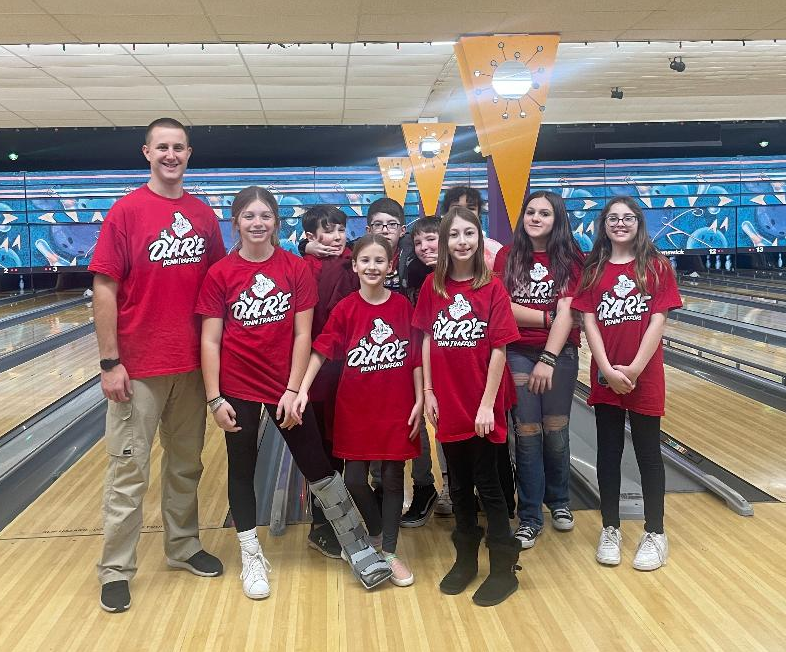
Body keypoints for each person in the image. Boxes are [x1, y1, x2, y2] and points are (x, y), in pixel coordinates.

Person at [196, 186, 391, 600]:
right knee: (241, 468)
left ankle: (356, 545)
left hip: (283, 387)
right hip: (236, 388)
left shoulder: (293, 268)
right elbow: (210, 340)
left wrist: (292, 389)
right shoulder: (220, 274)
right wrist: (215, 398)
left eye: (265, 215)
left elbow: (305, 332)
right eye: (249, 216)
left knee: (318, 466)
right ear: (236, 223)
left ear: (276, 222)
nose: (257, 223)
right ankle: (250, 554)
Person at [90, 117, 225, 614]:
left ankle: (184, 546)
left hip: (191, 366)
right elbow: (104, 287)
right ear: (146, 152)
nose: (171, 155)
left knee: (186, 464)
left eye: (179, 148)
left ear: (189, 153)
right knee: (129, 471)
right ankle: (116, 569)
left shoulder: (204, 215)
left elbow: (218, 285)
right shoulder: (126, 212)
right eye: (161, 147)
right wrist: (110, 362)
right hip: (139, 368)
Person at [295, 234, 423, 587]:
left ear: (390, 265)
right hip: (356, 410)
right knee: (353, 480)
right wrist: (302, 389)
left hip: (395, 408)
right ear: (355, 265)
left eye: (379, 261)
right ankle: (379, 532)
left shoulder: (401, 306)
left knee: (395, 479)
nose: (372, 267)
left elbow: (414, 358)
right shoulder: (347, 308)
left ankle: (391, 552)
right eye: (365, 260)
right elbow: (320, 351)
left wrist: (419, 399)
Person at [413, 206, 521, 607]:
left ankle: (502, 567)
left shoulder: (492, 288)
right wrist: (428, 390)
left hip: (482, 402)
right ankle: (466, 558)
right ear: (444, 242)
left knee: (489, 486)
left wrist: (488, 405)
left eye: (469, 234)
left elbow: (499, 348)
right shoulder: (433, 288)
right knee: (457, 485)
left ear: (479, 239)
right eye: (454, 235)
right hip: (448, 399)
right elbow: (425, 338)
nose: (461, 241)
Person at [572, 196, 682, 571]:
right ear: (604, 224)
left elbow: (657, 321)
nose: (620, 223)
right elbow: (588, 323)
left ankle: (656, 532)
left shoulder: (655, 266)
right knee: (609, 453)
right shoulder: (594, 269)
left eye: (628, 218)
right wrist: (606, 369)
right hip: (606, 376)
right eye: (613, 218)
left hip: (645, 375)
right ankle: (610, 527)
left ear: (638, 223)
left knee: (649, 454)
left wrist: (633, 369)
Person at [493, 191, 584, 549]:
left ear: (556, 219)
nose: (535, 218)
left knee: (556, 431)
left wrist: (547, 357)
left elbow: (570, 312)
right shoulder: (507, 255)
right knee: (527, 432)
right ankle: (530, 515)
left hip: (559, 353)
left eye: (544, 213)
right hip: (516, 351)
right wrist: (547, 317)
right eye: (530, 211)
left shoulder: (572, 258)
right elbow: (503, 308)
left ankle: (559, 502)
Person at [300, 205, 358, 558]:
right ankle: (323, 522)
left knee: (342, 445)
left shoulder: (353, 261)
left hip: (349, 370)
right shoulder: (300, 264)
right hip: (315, 370)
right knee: (322, 448)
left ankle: (339, 517)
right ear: (310, 236)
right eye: (327, 231)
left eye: (339, 229)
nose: (336, 237)